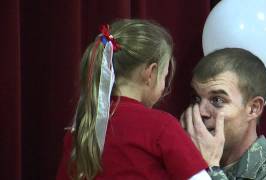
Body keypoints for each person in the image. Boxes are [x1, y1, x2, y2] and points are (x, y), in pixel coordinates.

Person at [56, 19, 211, 180]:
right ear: (150, 73)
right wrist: (211, 162)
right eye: (165, 76)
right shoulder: (161, 126)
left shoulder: (81, 129)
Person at [181, 48, 266, 179]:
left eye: (217, 99)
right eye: (196, 99)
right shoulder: (180, 166)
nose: (200, 111)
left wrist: (209, 169)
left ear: (254, 108)